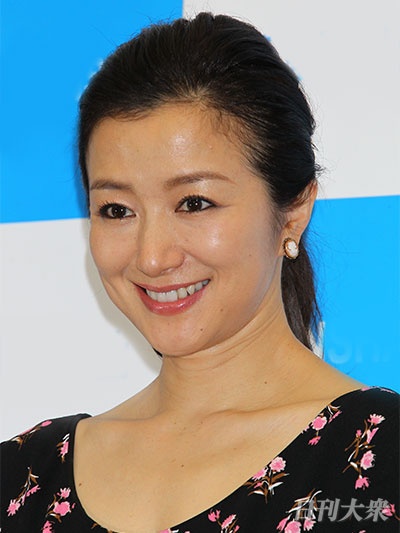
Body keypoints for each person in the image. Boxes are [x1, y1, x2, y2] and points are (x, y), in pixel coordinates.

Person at [1, 12, 398, 533]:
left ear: (293, 210)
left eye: (194, 202)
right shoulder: (23, 475)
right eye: (117, 210)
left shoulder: (383, 456)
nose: (152, 257)